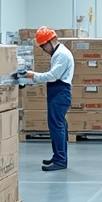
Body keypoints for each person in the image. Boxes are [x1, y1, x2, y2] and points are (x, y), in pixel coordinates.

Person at [23, 26, 75, 172]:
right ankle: (58, 156)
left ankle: (60, 160)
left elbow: (53, 76)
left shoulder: (62, 55)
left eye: (43, 46)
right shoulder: (58, 53)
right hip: (57, 92)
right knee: (58, 126)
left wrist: (33, 75)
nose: (43, 49)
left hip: (60, 93)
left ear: (51, 41)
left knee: (57, 127)